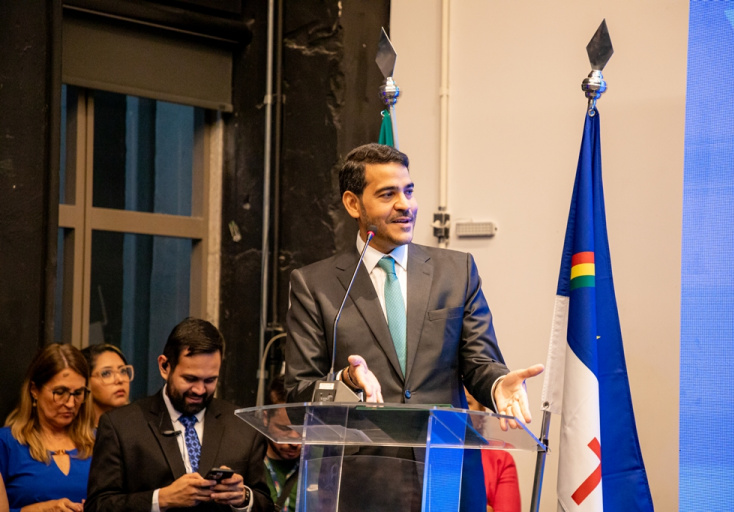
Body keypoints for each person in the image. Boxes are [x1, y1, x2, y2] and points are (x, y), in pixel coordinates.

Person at [284, 143, 544, 511]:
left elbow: (479, 362)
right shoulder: (315, 285)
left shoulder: (457, 271)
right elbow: (298, 395)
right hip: (362, 486)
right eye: (387, 194)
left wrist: (498, 383)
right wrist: (346, 381)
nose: (405, 205)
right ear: (353, 204)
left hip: (446, 475)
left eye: (408, 191)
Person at [86, 317, 273, 512]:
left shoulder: (243, 426)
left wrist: (243, 498)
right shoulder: (121, 426)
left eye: (210, 380)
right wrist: (161, 499)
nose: (200, 390)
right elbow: (98, 506)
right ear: (164, 367)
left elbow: (266, 503)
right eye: (190, 379)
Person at [0, 344, 94, 512]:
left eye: (78, 393)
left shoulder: (99, 442)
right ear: (34, 390)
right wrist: (40, 509)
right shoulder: (6, 444)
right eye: (60, 392)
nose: (70, 403)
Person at [465, 390, 521, 512]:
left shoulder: (501, 461)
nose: (458, 409)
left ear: (481, 412)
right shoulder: (429, 455)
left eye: (466, 402)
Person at [262, 376, 300, 512]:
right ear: (265, 418)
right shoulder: (251, 460)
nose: (295, 440)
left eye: (301, 429)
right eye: (284, 429)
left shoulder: (318, 461)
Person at [80, 344, 132, 427]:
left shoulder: (139, 427)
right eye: (106, 373)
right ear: (85, 382)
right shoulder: (69, 434)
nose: (120, 380)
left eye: (123, 371)